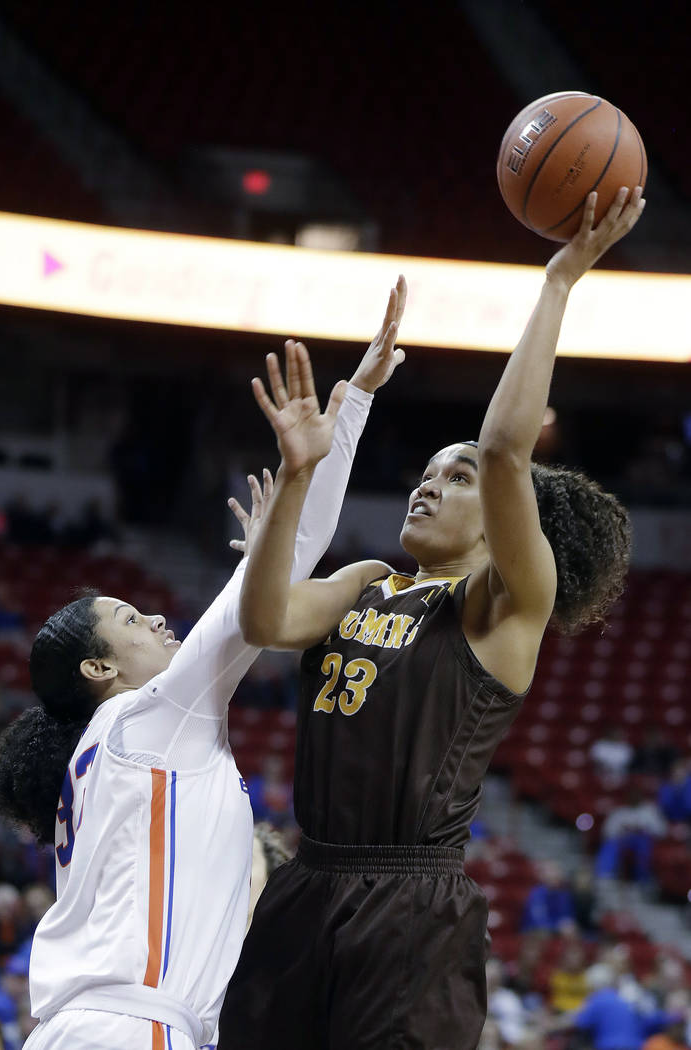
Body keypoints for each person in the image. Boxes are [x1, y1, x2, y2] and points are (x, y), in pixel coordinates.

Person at [218, 187, 644, 1050]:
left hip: (410, 907)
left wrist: (558, 282)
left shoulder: (501, 608)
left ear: (500, 519)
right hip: (307, 884)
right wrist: (299, 476)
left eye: (454, 480)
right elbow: (262, 619)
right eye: (425, 471)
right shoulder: (369, 578)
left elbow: (503, 451)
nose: (429, 484)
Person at [0, 282, 408, 1050]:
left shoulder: (126, 748)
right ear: (99, 671)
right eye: (125, 620)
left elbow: (268, 590)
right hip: (131, 1029)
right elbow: (273, 591)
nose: (153, 615)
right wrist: (343, 418)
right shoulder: (144, 719)